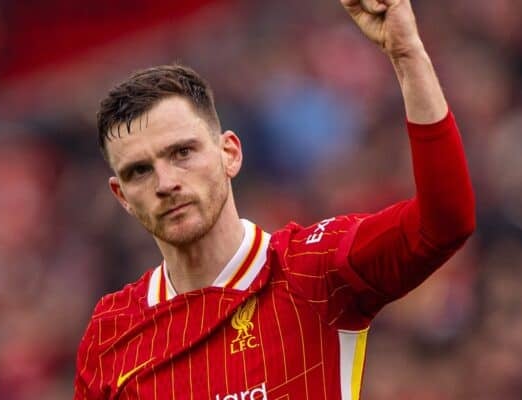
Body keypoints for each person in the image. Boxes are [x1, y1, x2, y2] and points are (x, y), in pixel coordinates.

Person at [74, 0, 476, 398]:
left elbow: (445, 221)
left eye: (182, 153)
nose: (165, 182)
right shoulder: (111, 334)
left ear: (229, 153)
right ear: (121, 195)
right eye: (139, 171)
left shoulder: (315, 271)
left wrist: (407, 54)